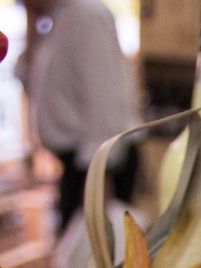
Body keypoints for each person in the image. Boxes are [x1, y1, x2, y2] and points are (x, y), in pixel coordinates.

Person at [21, 0, 142, 232]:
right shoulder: (57, 20)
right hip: (79, 165)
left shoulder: (85, 14)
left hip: (97, 164)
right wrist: (31, 26)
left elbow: (103, 98)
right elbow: (31, 85)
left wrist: (99, 179)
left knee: (97, 255)